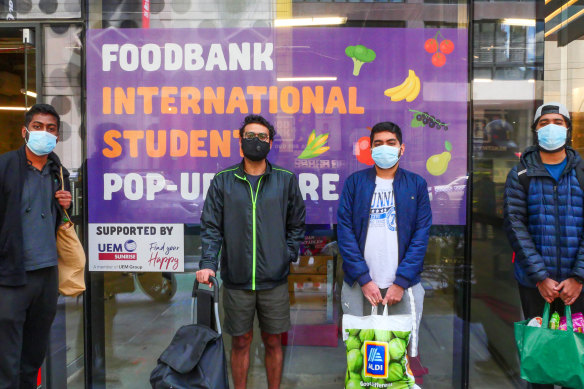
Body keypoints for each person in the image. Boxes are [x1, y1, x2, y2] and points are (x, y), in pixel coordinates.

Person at [196, 114, 305, 389]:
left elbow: (296, 223)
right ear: (240, 140)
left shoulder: (285, 180)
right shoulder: (223, 181)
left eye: (262, 137)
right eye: (250, 137)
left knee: (272, 340)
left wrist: (287, 254)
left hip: (274, 281)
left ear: (270, 142)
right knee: (241, 341)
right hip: (237, 280)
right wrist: (209, 262)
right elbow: (211, 226)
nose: (256, 142)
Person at [504, 102, 584, 389]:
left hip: (580, 286)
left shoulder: (582, 172)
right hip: (536, 286)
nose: (551, 126)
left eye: (558, 121)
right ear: (535, 130)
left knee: (578, 362)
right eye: (544, 122)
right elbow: (515, 226)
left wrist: (578, 277)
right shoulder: (521, 175)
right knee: (540, 361)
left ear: (567, 128)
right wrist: (540, 278)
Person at [337, 122, 431, 348]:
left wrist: (400, 282)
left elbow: (421, 235)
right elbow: (345, 232)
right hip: (359, 285)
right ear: (370, 149)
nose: (384, 148)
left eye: (391, 143)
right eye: (378, 143)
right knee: (358, 351)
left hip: (402, 286)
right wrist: (364, 279)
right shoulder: (355, 183)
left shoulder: (416, 185)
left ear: (402, 148)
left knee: (400, 351)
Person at [0, 104, 72, 389]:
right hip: (11, 275)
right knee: (6, 358)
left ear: (57, 136)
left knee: (33, 356)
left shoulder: (59, 172)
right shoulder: (5, 166)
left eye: (51, 129)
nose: (44, 133)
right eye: (38, 126)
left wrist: (67, 206)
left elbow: (65, 225)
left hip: (47, 274)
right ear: (25, 131)